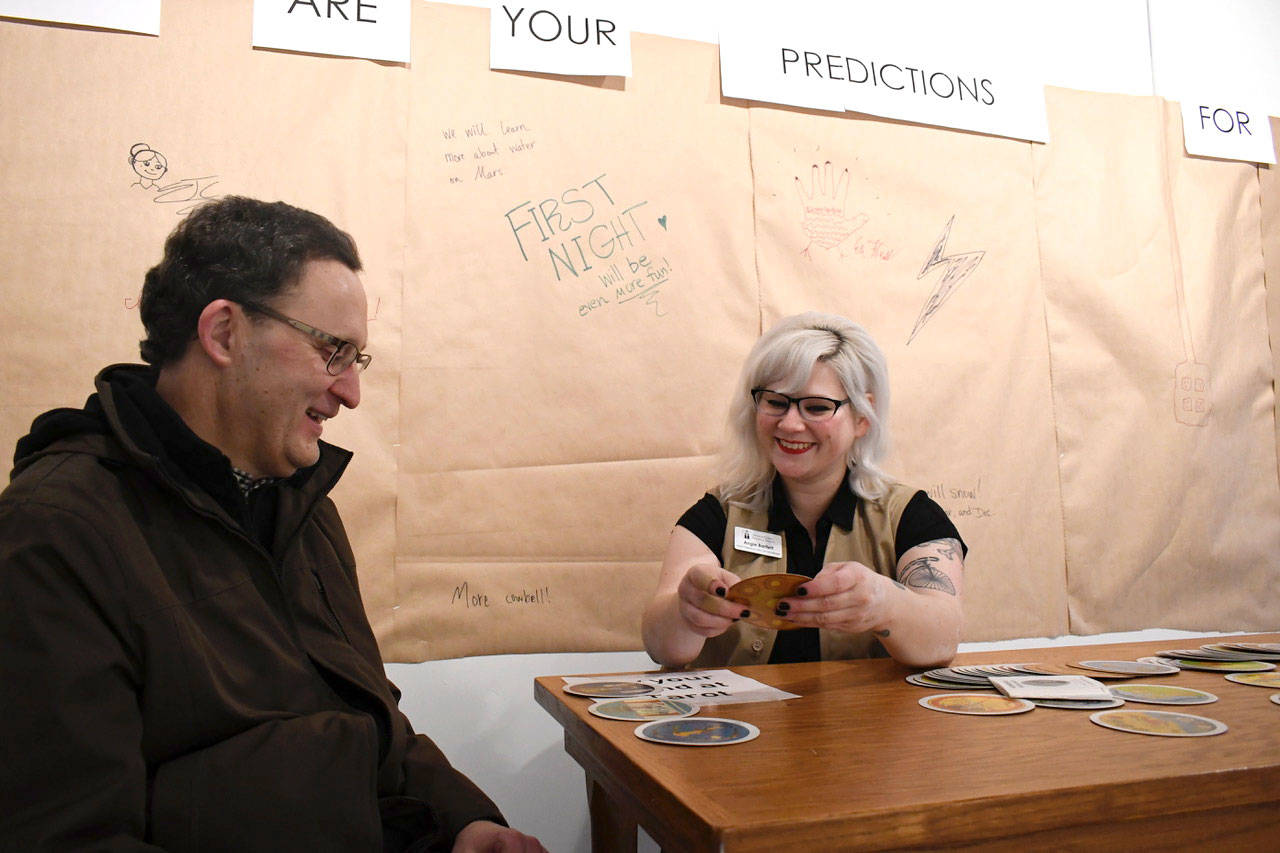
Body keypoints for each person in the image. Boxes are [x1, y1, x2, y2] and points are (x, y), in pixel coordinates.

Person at [0, 197, 546, 852]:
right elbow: (71, 835)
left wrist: (465, 822)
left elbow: (371, 732)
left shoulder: (306, 512)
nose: (350, 392)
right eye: (332, 350)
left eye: (357, 359)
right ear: (225, 333)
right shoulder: (57, 534)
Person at [642, 311, 965, 669]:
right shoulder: (717, 513)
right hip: (743, 725)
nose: (791, 424)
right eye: (776, 402)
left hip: (868, 726)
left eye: (816, 407)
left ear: (863, 416)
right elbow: (663, 646)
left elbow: (943, 639)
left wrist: (885, 603)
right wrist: (687, 611)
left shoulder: (911, 515)